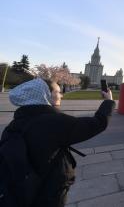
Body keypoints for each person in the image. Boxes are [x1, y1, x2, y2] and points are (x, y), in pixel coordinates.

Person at [1, 78, 115, 207]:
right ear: (46, 95)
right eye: (58, 91)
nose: (61, 95)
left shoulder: (15, 123)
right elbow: (97, 123)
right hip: (48, 192)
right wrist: (109, 101)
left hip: (22, 191)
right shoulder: (53, 122)